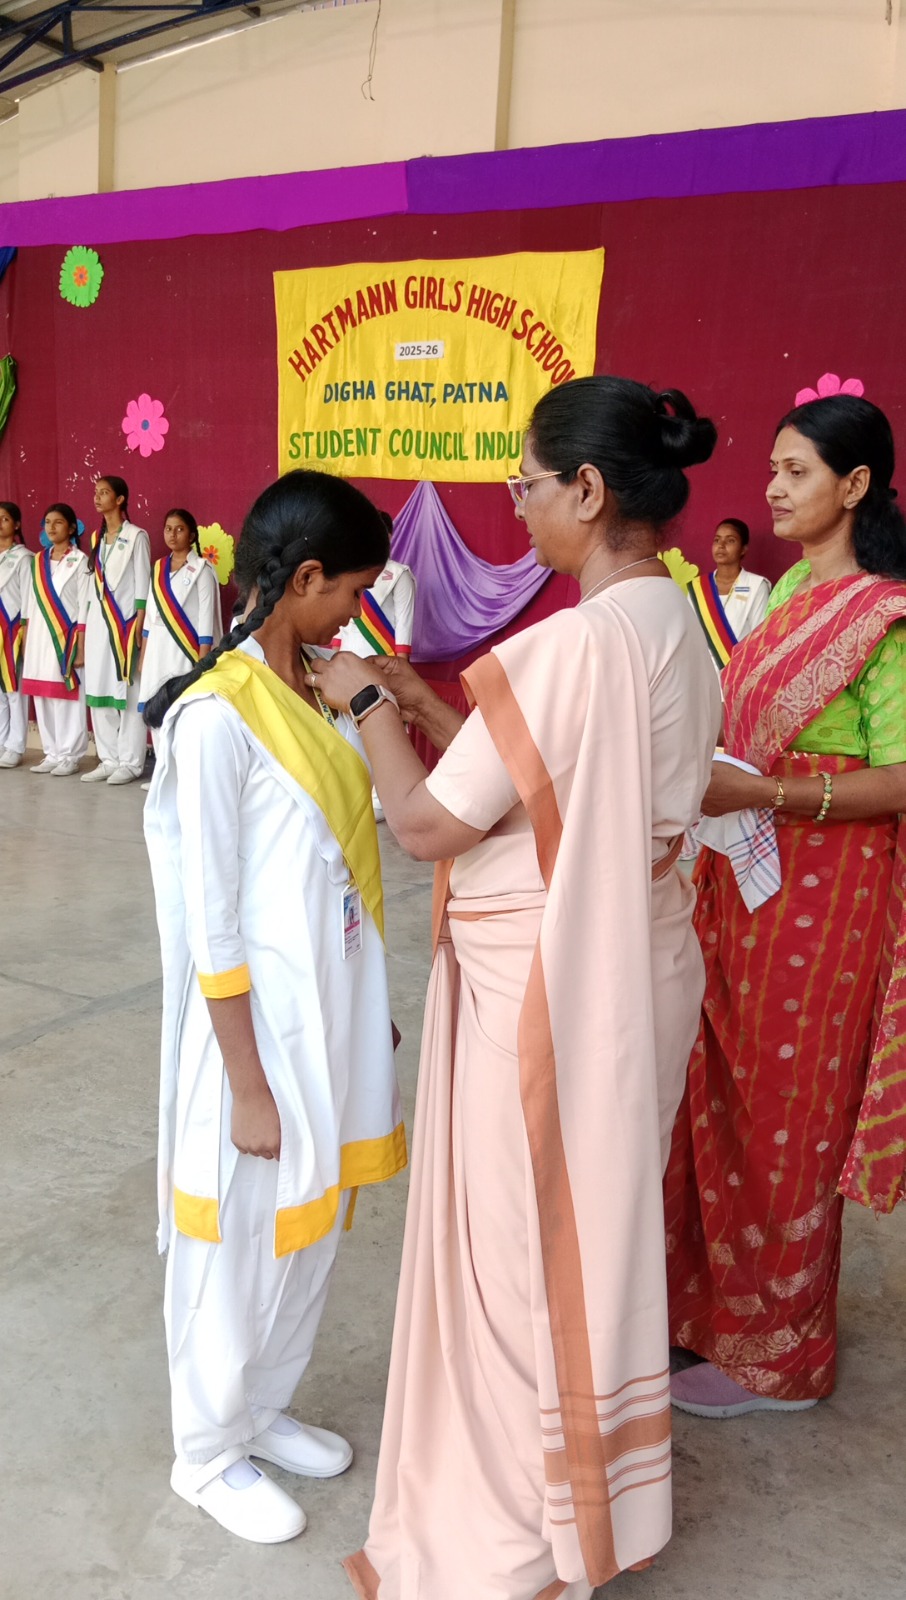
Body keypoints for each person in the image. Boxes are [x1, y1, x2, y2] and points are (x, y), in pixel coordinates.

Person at [310, 375, 722, 1600]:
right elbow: (559, 794)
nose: (517, 505)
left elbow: (429, 824)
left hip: (548, 987)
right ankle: (598, 1498)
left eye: (527, 484)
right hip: (643, 963)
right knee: (590, 1236)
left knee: (514, 1258)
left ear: (588, 491)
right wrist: (428, 703)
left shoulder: (567, 646)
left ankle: (513, 1534)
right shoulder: (672, 620)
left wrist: (367, 701)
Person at [142, 469, 407, 1546]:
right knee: (240, 1239)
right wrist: (248, 1085)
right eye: (349, 590)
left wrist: (364, 1007)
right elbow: (214, 928)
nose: (355, 612)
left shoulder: (311, 692)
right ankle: (206, 1452)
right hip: (249, 1042)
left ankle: (260, 1407)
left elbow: (333, 875)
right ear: (302, 579)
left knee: (311, 1224)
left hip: (326, 1018)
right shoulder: (217, 719)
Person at [665, 394, 906, 1420]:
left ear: (855, 485)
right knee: (720, 1093)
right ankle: (711, 1312)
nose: (771, 489)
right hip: (747, 880)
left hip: (829, 894)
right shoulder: (798, 588)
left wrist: (765, 793)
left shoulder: (885, 615)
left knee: (791, 1113)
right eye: (771, 469)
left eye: (795, 471)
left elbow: (903, 775)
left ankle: (784, 1357)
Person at [333, 526, 416, 820]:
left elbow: (404, 623)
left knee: (385, 724)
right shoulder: (347, 572)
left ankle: (381, 798)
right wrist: (334, 657)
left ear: (390, 537)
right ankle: (353, 792)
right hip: (349, 657)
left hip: (383, 661)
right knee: (347, 728)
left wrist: (401, 670)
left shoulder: (399, 574)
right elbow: (341, 626)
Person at [81, 475, 151, 786]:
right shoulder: (96, 539)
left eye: (104, 492)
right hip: (99, 624)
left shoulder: (137, 536)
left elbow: (142, 582)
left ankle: (131, 762)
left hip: (125, 624)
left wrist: (140, 624)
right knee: (99, 689)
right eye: (96, 492)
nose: (97, 497)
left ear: (120, 499)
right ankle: (108, 758)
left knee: (129, 691)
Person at [137, 508, 220, 750]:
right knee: (156, 709)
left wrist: (203, 661)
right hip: (156, 651)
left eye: (180, 529)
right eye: (168, 529)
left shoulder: (202, 569)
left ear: (192, 535)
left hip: (185, 651)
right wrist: (143, 657)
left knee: (182, 709)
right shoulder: (158, 568)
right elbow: (150, 617)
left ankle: (181, 767)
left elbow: (206, 619)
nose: (173, 534)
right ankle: (161, 767)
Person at [19, 504, 89, 775]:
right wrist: (26, 638)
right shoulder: (37, 561)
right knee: (42, 694)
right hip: (38, 636)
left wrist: (81, 646)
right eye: (47, 522)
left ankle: (70, 754)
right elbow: (28, 603)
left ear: (71, 528)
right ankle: (52, 752)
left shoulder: (81, 560)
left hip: (65, 637)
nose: (51, 527)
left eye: (58, 522)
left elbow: (84, 605)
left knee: (66, 696)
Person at [0, 501, 32, 768]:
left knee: (14, 689)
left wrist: (26, 631)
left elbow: (28, 599)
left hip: (12, 628)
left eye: (5, 519)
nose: (0, 524)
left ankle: (15, 745)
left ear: (17, 524)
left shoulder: (24, 558)